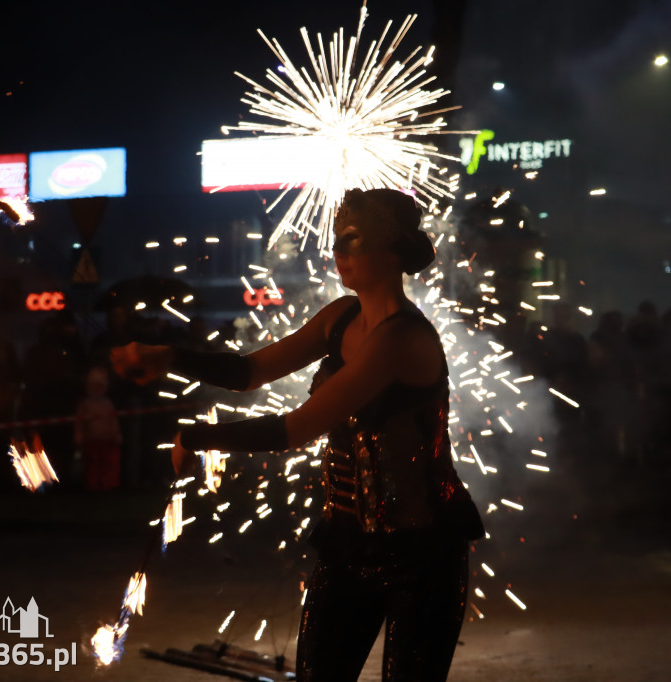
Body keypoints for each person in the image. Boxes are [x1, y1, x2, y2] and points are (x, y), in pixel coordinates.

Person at [112, 188, 483, 682]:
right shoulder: (339, 316)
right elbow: (249, 371)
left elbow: (297, 428)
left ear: (391, 250)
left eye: (354, 240)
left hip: (423, 550)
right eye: (337, 240)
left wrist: (201, 437)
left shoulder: (401, 338)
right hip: (349, 541)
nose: (339, 252)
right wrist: (172, 356)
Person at [75, 366, 122, 491]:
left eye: (100, 386)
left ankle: (109, 484)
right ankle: (93, 485)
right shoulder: (85, 404)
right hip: (91, 440)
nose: (97, 390)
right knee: (93, 464)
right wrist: (79, 434)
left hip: (108, 440)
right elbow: (79, 422)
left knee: (110, 463)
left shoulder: (108, 404)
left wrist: (116, 434)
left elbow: (113, 420)